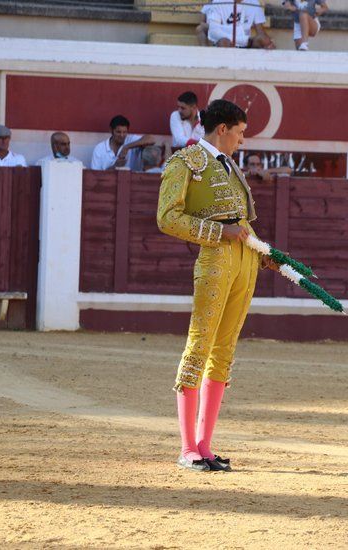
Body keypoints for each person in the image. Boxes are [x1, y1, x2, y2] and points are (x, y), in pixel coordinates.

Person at [157, 99, 277, 473]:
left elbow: (240, 221)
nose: (242, 140)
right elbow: (167, 218)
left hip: (244, 261)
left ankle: (206, 446)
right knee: (200, 346)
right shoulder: (186, 163)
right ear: (222, 129)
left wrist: (263, 251)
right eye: (239, 133)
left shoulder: (230, 167)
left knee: (223, 351)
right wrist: (218, 232)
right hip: (214, 259)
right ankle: (187, 447)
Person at [90, 115, 155, 171]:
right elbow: (95, 175)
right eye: (118, 132)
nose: (122, 135)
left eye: (125, 132)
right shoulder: (99, 149)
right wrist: (115, 166)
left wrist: (127, 147)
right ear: (110, 130)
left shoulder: (131, 139)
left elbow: (151, 139)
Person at [204, 0, 275, 49]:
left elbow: (260, 32)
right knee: (224, 41)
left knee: (264, 39)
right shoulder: (218, 2)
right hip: (228, 43)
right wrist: (243, 40)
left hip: (246, 44)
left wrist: (268, 43)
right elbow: (213, 31)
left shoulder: (253, 2)